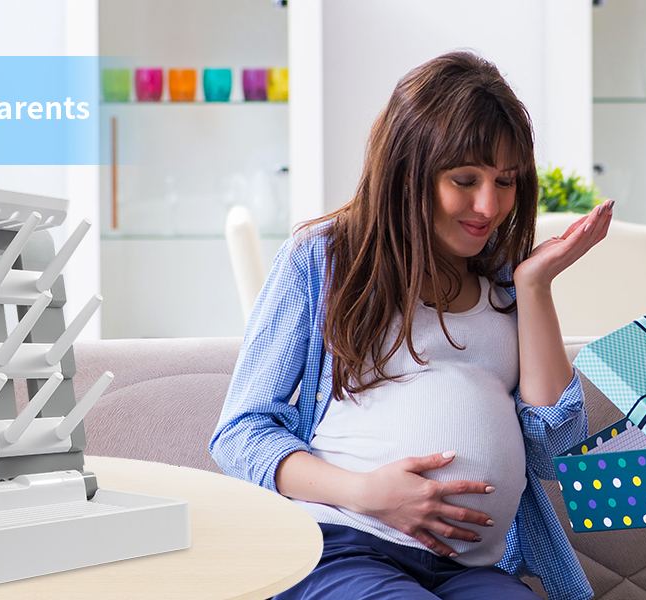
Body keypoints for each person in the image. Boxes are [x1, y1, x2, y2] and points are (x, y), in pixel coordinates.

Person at [210, 51, 611, 600]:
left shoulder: (504, 281)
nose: (488, 205)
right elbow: (240, 433)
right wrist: (368, 492)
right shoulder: (324, 261)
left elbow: (552, 451)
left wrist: (535, 285)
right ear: (408, 171)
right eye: (465, 179)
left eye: (507, 181)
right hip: (343, 543)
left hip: (473, 571)